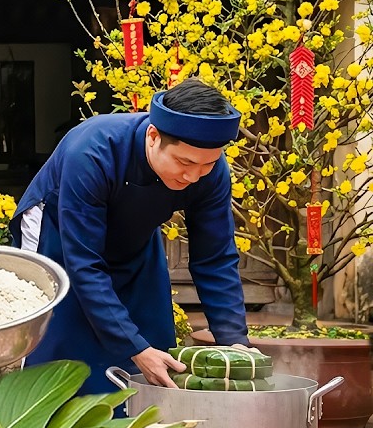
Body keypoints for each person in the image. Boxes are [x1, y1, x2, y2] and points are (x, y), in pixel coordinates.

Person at [13, 78, 250, 396]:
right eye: (184, 162)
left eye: (206, 165)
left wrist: (234, 341)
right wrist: (133, 347)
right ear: (154, 136)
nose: (193, 176)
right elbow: (83, 263)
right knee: (60, 341)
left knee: (154, 344)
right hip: (58, 233)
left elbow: (215, 257)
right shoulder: (92, 152)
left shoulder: (211, 170)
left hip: (135, 239)